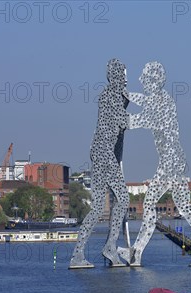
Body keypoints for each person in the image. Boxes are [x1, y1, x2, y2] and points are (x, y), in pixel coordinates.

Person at [117, 61, 191, 266]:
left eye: (145, 78)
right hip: (174, 161)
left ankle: (136, 253)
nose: (141, 81)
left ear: (154, 81)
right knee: (182, 206)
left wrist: (120, 120)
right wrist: (127, 94)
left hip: (170, 163)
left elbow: (142, 120)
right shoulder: (159, 98)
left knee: (150, 204)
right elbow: (144, 101)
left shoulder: (163, 102)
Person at [69, 59, 130, 268]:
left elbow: (119, 135)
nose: (125, 79)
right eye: (123, 75)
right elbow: (124, 122)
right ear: (115, 76)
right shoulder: (110, 96)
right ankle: (107, 248)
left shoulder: (111, 96)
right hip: (103, 153)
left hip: (103, 153)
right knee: (121, 199)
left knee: (99, 206)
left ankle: (83, 254)